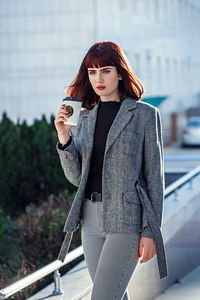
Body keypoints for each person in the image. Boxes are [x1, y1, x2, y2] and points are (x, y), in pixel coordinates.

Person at [54, 41, 168, 300]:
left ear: (119, 72)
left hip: (126, 220)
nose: (98, 79)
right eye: (92, 72)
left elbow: (154, 178)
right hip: (90, 221)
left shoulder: (145, 115)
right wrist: (64, 138)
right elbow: (76, 178)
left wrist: (151, 231)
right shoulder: (85, 118)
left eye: (105, 70)